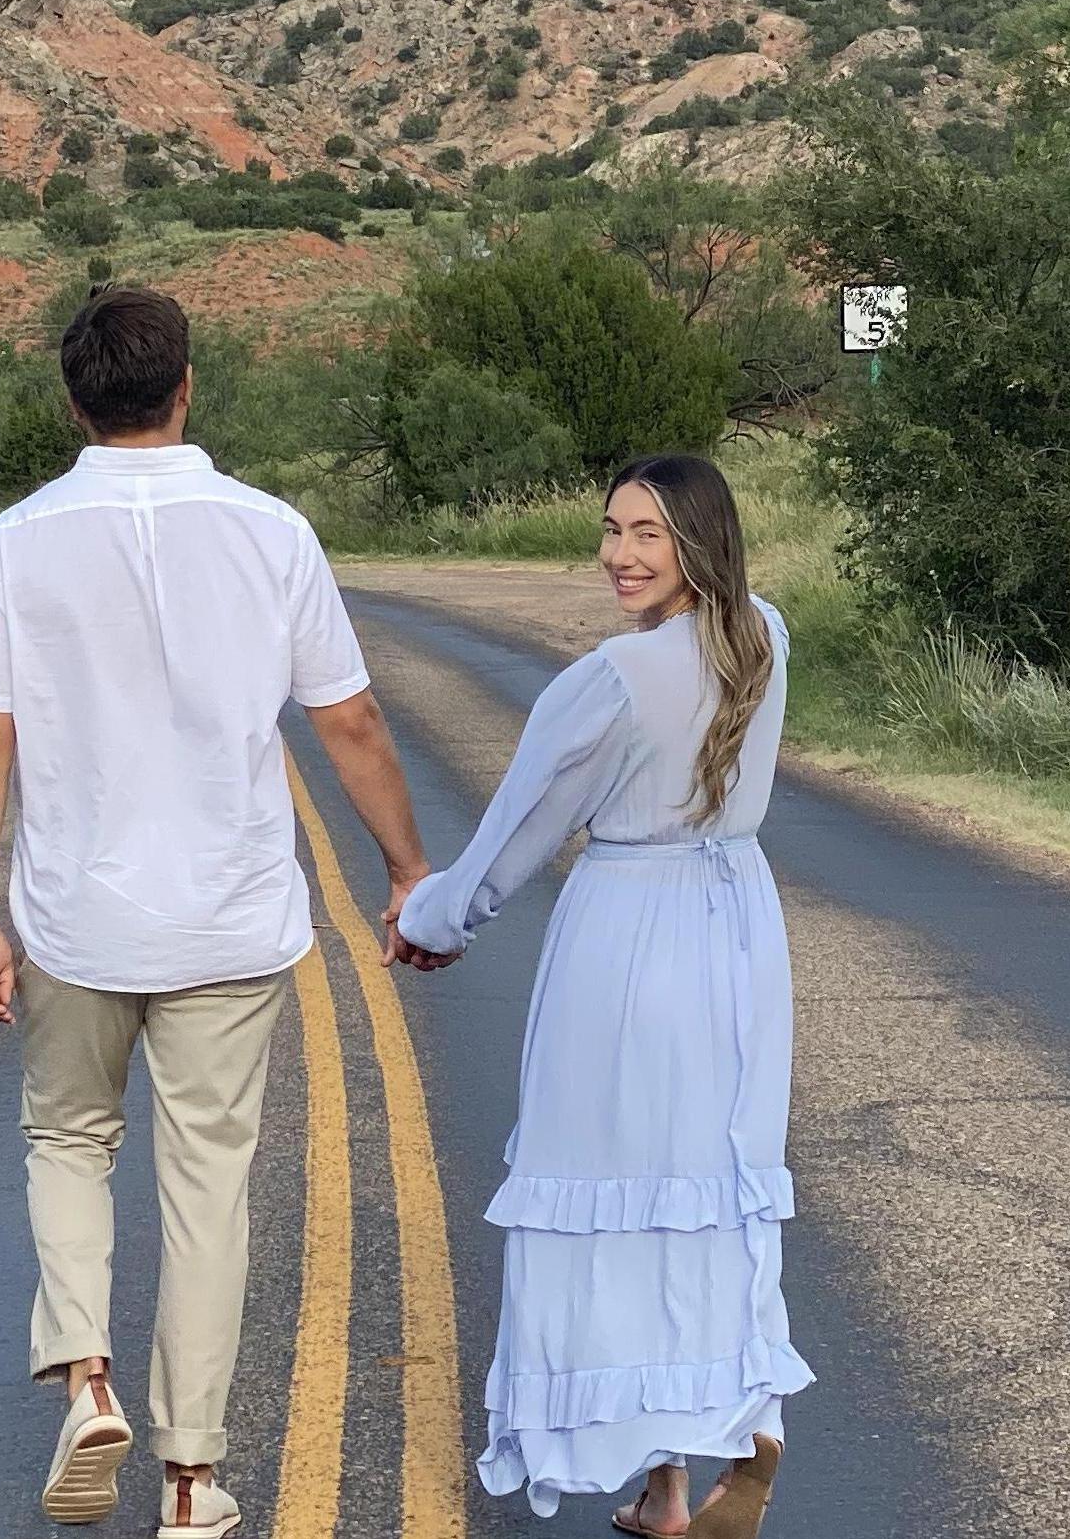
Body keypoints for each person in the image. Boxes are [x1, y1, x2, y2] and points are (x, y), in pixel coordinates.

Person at [0, 283, 432, 1535]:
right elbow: (348, 718)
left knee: (65, 1140)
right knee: (208, 1182)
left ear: (72, 397)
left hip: (74, 915)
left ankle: (87, 1376)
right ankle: (192, 1477)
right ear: (187, 383)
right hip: (227, 912)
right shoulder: (269, 529)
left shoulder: (17, 538)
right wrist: (405, 866)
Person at [395, 453, 811, 1536]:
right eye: (611, 527)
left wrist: (434, 918)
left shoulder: (609, 680)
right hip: (738, 935)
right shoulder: (764, 631)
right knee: (706, 1185)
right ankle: (696, 1455)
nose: (618, 553)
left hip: (630, 935)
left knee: (606, 1188)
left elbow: (520, 829)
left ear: (693, 545)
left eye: (646, 534)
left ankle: (669, 1456)